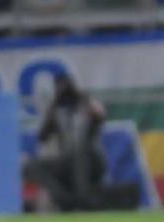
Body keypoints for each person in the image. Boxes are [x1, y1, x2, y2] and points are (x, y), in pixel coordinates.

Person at [24, 74, 107, 212]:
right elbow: (42, 137)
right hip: (67, 161)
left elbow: (101, 116)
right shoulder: (57, 111)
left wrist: (82, 98)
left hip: (91, 159)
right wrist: (54, 104)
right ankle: (64, 199)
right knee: (31, 166)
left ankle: (84, 199)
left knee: (79, 151)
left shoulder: (86, 105)